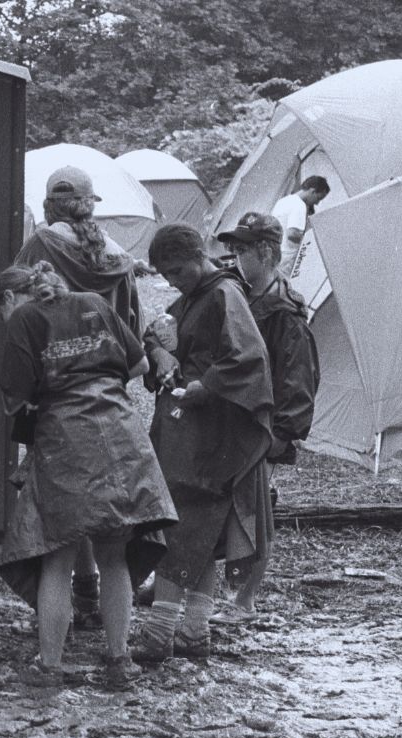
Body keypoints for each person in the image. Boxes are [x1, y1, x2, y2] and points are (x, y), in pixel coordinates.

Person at [0, 262, 176, 689]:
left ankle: (50, 667)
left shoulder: (25, 318)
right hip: (118, 432)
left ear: (9, 298)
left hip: (64, 440)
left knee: (58, 557)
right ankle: (118, 662)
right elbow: (140, 366)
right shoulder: (95, 302)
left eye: (0, 310)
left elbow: (16, 395)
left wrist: (49, 395)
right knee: (113, 554)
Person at [132, 224, 273, 663]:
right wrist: (159, 352)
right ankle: (194, 631)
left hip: (207, 433)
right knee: (204, 530)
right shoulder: (196, 294)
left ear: (199, 256)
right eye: (165, 275)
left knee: (179, 521)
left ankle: (158, 634)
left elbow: (248, 358)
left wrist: (205, 388)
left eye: (177, 270)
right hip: (189, 426)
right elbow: (159, 332)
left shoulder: (222, 294)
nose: (173, 281)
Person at [15, 165, 143, 629]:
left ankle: (75, 598)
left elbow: (17, 310)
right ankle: (99, 612)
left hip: (53, 392)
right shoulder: (115, 255)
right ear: (91, 204)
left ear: (49, 203)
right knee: (103, 499)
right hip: (108, 389)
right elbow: (135, 323)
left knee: (62, 504)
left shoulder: (40, 247)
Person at [213, 213, 319, 623]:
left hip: (264, 428)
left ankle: (244, 600)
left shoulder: (284, 311)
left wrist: (281, 435)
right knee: (215, 503)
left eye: (243, 250)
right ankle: (190, 580)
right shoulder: (238, 293)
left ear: (267, 252)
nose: (236, 258)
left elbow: (299, 376)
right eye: (234, 250)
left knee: (255, 512)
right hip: (231, 421)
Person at [270, 176, 330, 277]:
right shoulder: (299, 205)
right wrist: (310, 239)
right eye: (318, 198)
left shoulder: (283, 201)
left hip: (274, 256)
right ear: (312, 191)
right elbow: (292, 234)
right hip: (286, 261)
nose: (317, 203)